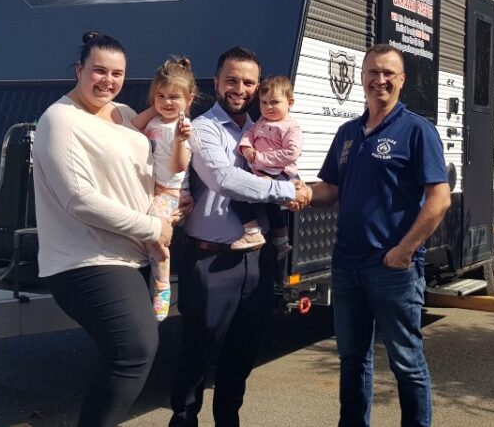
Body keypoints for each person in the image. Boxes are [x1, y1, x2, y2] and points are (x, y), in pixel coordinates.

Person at [33, 30, 181, 427]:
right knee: (134, 348)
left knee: (136, 350)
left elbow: (149, 171)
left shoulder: (127, 114)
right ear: (80, 69)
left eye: (117, 73)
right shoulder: (60, 120)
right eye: (99, 71)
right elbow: (78, 199)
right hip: (86, 259)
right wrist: (152, 226)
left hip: (132, 255)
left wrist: (174, 201)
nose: (108, 81)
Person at [307, 44, 451, 427]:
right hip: (348, 264)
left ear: (402, 80)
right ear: (362, 78)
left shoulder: (417, 131)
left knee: (406, 362)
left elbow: (439, 199)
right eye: (372, 72)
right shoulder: (348, 133)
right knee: (352, 359)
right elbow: (330, 190)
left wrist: (404, 251)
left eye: (388, 73)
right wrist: (298, 192)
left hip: (392, 268)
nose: (379, 80)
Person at [169, 47, 312, 427]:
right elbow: (225, 180)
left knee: (241, 357)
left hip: (257, 261)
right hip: (211, 261)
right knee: (196, 355)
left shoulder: (262, 129)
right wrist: (286, 192)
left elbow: (286, 163)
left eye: (249, 82)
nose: (240, 88)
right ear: (215, 83)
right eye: (231, 80)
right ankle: (183, 421)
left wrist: (295, 181)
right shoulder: (202, 130)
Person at [130, 57, 196, 321]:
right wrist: (153, 110)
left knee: (155, 235)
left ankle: (162, 288)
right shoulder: (156, 122)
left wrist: (181, 140)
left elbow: (179, 167)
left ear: (189, 100)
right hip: (154, 189)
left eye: (174, 97)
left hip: (171, 192)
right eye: (160, 96)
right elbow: (132, 125)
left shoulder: (182, 129)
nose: (167, 102)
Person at [237, 75, 303, 258]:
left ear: (290, 102)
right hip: (260, 171)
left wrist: (260, 159)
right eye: (263, 102)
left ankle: (281, 243)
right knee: (239, 198)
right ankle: (253, 232)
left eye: (274, 102)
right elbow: (249, 133)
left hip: (279, 173)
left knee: (273, 209)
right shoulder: (262, 121)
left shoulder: (291, 127)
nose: (268, 107)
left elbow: (291, 153)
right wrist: (246, 147)